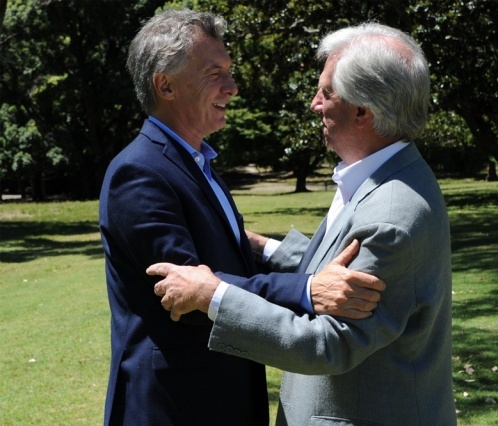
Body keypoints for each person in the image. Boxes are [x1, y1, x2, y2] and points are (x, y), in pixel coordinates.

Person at [149, 22, 457, 425]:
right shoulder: (381, 176)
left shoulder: (391, 215)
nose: (314, 104)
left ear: (362, 112)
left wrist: (213, 296)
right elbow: (337, 268)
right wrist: (263, 247)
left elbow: (328, 344)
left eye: (326, 93)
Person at [99, 9, 384, 425]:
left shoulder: (195, 161)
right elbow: (187, 295)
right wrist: (308, 291)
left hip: (215, 394)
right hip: (175, 407)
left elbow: (224, 267)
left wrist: (265, 250)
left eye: (229, 72)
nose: (232, 87)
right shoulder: (139, 172)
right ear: (165, 85)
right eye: (214, 73)